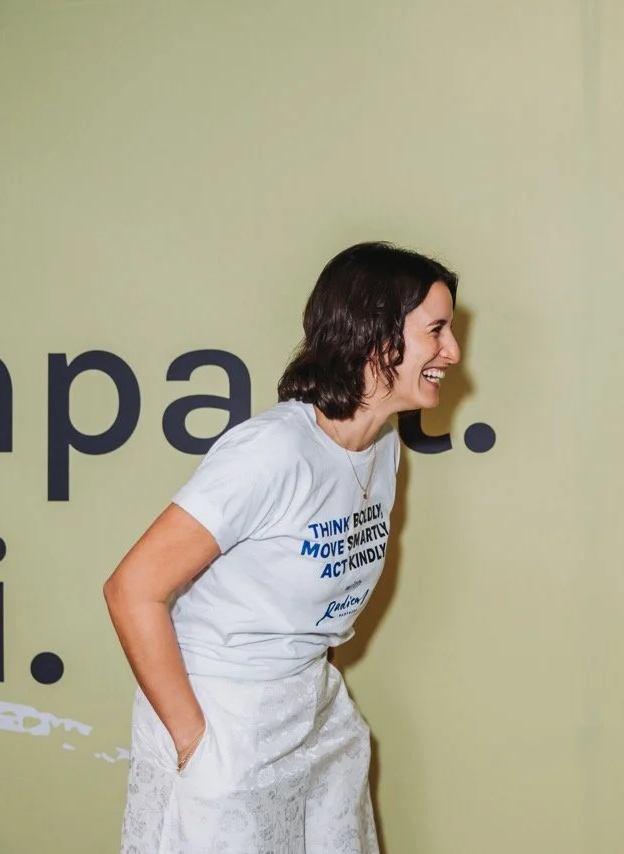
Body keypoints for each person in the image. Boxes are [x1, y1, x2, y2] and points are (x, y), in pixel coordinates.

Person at [104, 241, 462, 853]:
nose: (452, 352)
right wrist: (197, 744)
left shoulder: (383, 445)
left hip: (312, 712)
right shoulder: (272, 452)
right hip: (225, 719)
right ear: (377, 337)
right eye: (437, 330)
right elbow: (132, 589)